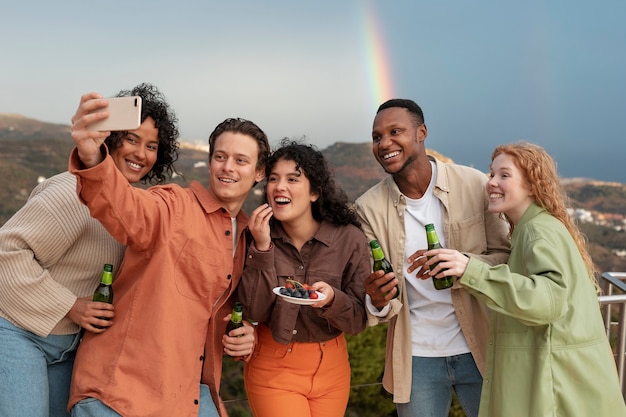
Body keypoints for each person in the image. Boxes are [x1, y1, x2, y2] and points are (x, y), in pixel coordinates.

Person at [66, 100, 270, 417]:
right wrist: (92, 156)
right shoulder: (173, 205)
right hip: (119, 396)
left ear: (259, 172)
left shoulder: (244, 236)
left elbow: (215, 313)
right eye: (220, 157)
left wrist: (246, 336)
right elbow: (125, 208)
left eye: (240, 160)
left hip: (185, 396)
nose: (227, 167)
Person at [0, 83, 179, 417]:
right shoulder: (73, 192)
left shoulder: (134, 207)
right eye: (132, 139)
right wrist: (70, 305)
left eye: (152, 145)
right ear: (110, 138)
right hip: (17, 332)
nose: (142, 153)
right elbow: (7, 252)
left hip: (67, 346)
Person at [423, 142, 626, 416]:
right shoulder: (535, 228)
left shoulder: (537, 232)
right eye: (491, 174)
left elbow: (548, 301)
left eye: (504, 175)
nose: (491, 182)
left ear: (533, 185)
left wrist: (469, 269)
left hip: (558, 391)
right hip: (569, 384)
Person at [354, 98, 510, 417]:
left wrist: (463, 264)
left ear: (421, 132)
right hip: (416, 358)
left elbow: (505, 259)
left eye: (395, 131)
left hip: (481, 345)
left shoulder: (475, 183)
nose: (385, 143)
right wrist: (376, 298)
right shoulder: (367, 208)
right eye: (377, 137)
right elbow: (378, 297)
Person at [238, 140, 370, 417]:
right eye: (273, 179)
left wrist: (332, 299)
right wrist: (262, 249)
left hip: (333, 367)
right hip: (274, 366)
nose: (279, 186)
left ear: (314, 193)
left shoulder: (349, 239)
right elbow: (254, 311)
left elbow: (358, 321)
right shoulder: (256, 236)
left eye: (292, 179)